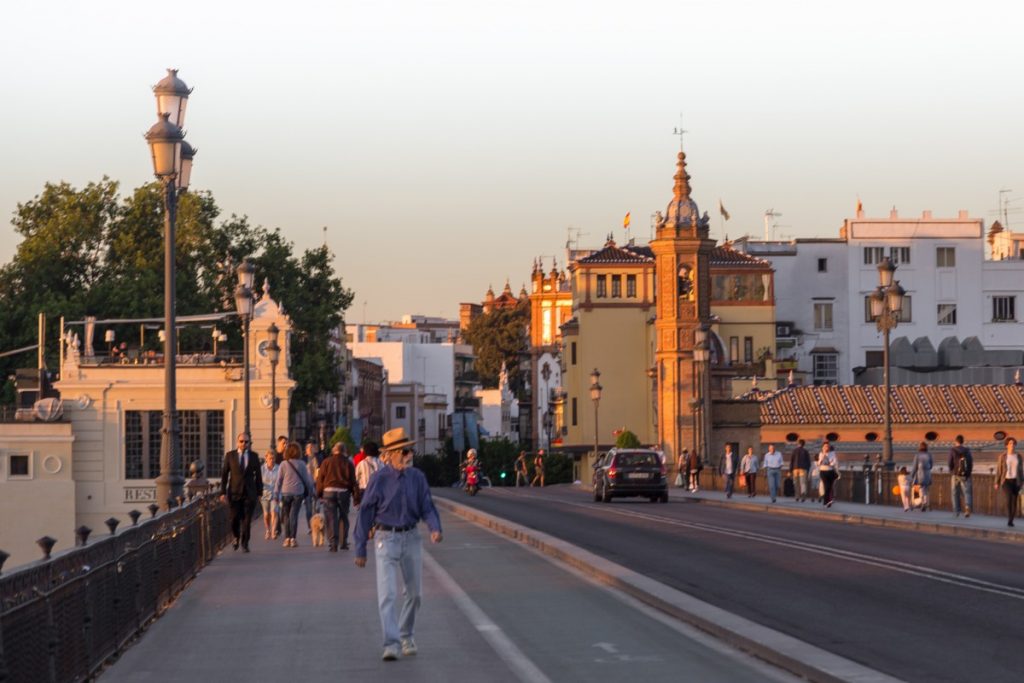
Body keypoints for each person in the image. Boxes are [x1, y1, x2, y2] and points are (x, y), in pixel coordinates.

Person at [354, 427, 443, 661]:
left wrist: (435, 528)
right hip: (386, 539)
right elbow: (365, 512)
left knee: (415, 594)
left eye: (410, 450)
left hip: (411, 537)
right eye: (404, 451)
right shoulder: (379, 479)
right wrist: (360, 547)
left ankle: (406, 634)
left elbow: (427, 506)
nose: (409, 455)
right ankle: (391, 643)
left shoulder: (418, 478)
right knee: (388, 595)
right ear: (390, 454)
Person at [220, 432, 262, 553]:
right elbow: (224, 475)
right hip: (234, 493)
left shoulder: (254, 456)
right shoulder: (230, 456)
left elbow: (258, 476)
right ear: (237, 442)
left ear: (249, 443)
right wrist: (222, 492)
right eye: (241, 441)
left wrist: (259, 492)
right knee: (234, 518)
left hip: (249, 493)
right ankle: (236, 536)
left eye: (246, 442)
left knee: (247, 520)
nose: (244, 444)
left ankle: (245, 543)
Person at [274, 442, 316, 548]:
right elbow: (307, 480)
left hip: (285, 493)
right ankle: (293, 538)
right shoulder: (302, 464)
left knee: (286, 516)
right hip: (298, 493)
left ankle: (287, 539)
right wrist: (312, 491)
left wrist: (276, 494)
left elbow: (278, 480)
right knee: (294, 516)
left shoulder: (283, 464)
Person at [317, 443, 356, 551]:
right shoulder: (348, 463)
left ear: (334, 451)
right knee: (343, 517)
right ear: (344, 451)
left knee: (330, 518)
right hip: (343, 492)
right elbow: (353, 481)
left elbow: (320, 479)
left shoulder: (326, 462)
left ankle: (333, 543)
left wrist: (319, 493)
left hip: (328, 492)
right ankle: (343, 542)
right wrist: (356, 497)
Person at [994, 436, 1023, 527]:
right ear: (1007, 445)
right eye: (1010, 443)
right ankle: (1009, 518)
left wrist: (1022, 481)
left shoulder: (1018, 456)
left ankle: (1011, 520)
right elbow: (999, 470)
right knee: (1009, 498)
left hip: (1016, 480)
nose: (1012, 445)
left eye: (1014, 443)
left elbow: (1021, 470)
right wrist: (996, 482)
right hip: (1006, 480)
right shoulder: (1002, 457)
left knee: (1014, 500)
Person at [948, 435, 973, 517]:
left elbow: (950, 463)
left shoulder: (952, 450)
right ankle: (967, 507)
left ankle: (956, 511)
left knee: (955, 493)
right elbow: (970, 462)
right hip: (965, 475)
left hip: (955, 474)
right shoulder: (967, 451)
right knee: (967, 492)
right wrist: (968, 473)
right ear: (963, 442)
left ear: (956, 441)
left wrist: (952, 471)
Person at [260, 449, 280, 539]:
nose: (272, 460)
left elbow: (280, 481)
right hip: (265, 494)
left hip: (275, 493)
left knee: (274, 512)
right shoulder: (262, 469)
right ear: (266, 458)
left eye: (273, 458)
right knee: (266, 514)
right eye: (270, 458)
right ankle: (267, 530)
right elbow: (259, 481)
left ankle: (273, 531)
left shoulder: (278, 468)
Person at [354, 441, 381, 507]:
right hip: (378, 489)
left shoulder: (361, 463)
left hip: (364, 490)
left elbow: (356, 478)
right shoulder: (380, 462)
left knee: (365, 510)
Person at [910, 442, 933, 511]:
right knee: (925, 489)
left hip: (920, 474)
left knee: (920, 489)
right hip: (927, 474)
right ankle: (925, 503)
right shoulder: (929, 455)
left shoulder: (917, 455)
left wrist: (911, 476)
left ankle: (920, 503)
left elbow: (914, 467)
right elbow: (931, 465)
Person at [817, 442, 838, 508]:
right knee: (827, 486)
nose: (826, 447)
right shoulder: (821, 454)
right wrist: (823, 456)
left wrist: (830, 463)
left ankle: (829, 501)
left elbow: (834, 462)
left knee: (830, 487)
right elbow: (819, 463)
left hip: (830, 471)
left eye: (827, 446)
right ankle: (826, 501)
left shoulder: (832, 453)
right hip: (823, 471)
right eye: (825, 446)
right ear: (823, 447)